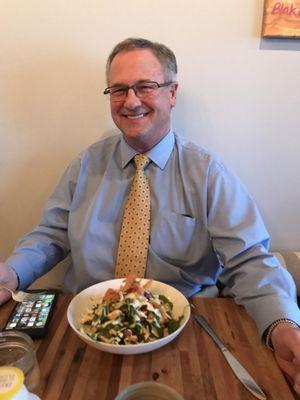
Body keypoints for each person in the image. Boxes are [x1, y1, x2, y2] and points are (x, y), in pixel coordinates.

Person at [1, 37, 300, 393]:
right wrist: (11, 272)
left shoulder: (208, 173)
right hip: (88, 326)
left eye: (145, 87)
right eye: (118, 89)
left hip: (183, 331)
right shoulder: (85, 164)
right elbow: (50, 235)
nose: (130, 101)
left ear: (172, 93)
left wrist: (283, 324)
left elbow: (250, 260)